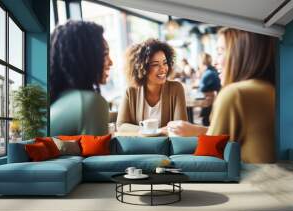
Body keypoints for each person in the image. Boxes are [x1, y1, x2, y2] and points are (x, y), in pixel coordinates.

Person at [168, 27, 276, 163]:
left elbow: (206, 163)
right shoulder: (268, 90)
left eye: (220, 52)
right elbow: (232, 138)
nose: (214, 62)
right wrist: (198, 130)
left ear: (240, 53)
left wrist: (176, 144)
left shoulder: (236, 93)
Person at [50, 20, 113, 136]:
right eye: (104, 54)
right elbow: (98, 154)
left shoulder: (61, 98)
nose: (111, 62)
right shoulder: (90, 102)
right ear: (86, 57)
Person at [116, 39, 188, 132]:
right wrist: (153, 131)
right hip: (139, 146)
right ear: (142, 68)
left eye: (165, 63)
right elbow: (121, 125)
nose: (163, 69)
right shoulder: (131, 91)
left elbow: (181, 127)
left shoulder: (176, 88)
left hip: (167, 145)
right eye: (155, 64)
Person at [198, 53, 221, 126]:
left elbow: (201, 89)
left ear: (202, 62)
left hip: (210, 102)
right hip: (214, 100)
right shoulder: (212, 70)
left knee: (206, 120)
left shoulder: (208, 73)